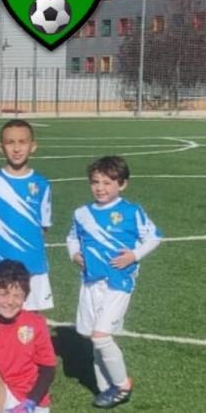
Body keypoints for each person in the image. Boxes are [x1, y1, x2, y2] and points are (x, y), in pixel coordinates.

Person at [66, 156, 161, 409]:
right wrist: (74, 254)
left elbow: (154, 237)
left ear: (122, 184)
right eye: (95, 182)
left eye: (107, 183)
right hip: (91, 282)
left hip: (119, 283)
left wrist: (134, 255)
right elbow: (72, 238)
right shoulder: (82, 213)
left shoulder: (131, 211)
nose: (100, 188)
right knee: (92, 336)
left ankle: (122, 385)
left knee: (100, 336)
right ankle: (105, 387)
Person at [0, 120, 54, 311]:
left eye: (22, 142)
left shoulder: (41, 184)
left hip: (32, 262)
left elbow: (43, 226)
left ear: (33, 146)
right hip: (0, 262)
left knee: (31, 316)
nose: (16, 148)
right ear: (1, 147)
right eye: (10, 142)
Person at [0, 260, 56, 413]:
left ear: (26, 297)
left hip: (29, 395)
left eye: (18, 296)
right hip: (2, 389)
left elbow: (48, 368)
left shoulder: (36, 323)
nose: (10, 301)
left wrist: (31, 401)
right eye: (3, 294)